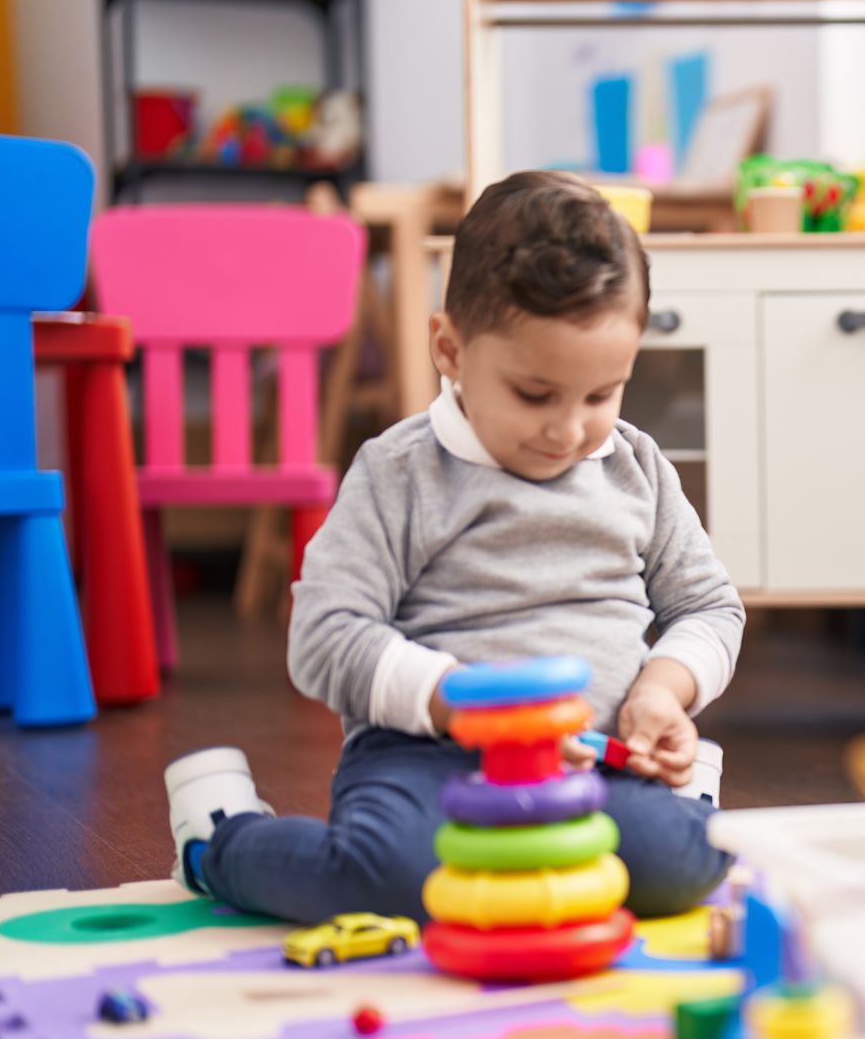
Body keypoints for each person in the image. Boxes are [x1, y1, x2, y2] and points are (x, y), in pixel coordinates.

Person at [165, 171, 742, 922]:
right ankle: (218, 839)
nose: (568, 430)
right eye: (535, 395)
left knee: (684, 871)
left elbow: (708, 606)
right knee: (385, 881)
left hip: (594, 756)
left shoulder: (636, 468)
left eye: (601, 395)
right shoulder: (400, 472)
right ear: (450, 348)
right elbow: (324, 637)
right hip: (424, 757)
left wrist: (663, 690)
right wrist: (452, 701)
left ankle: (680, 797)